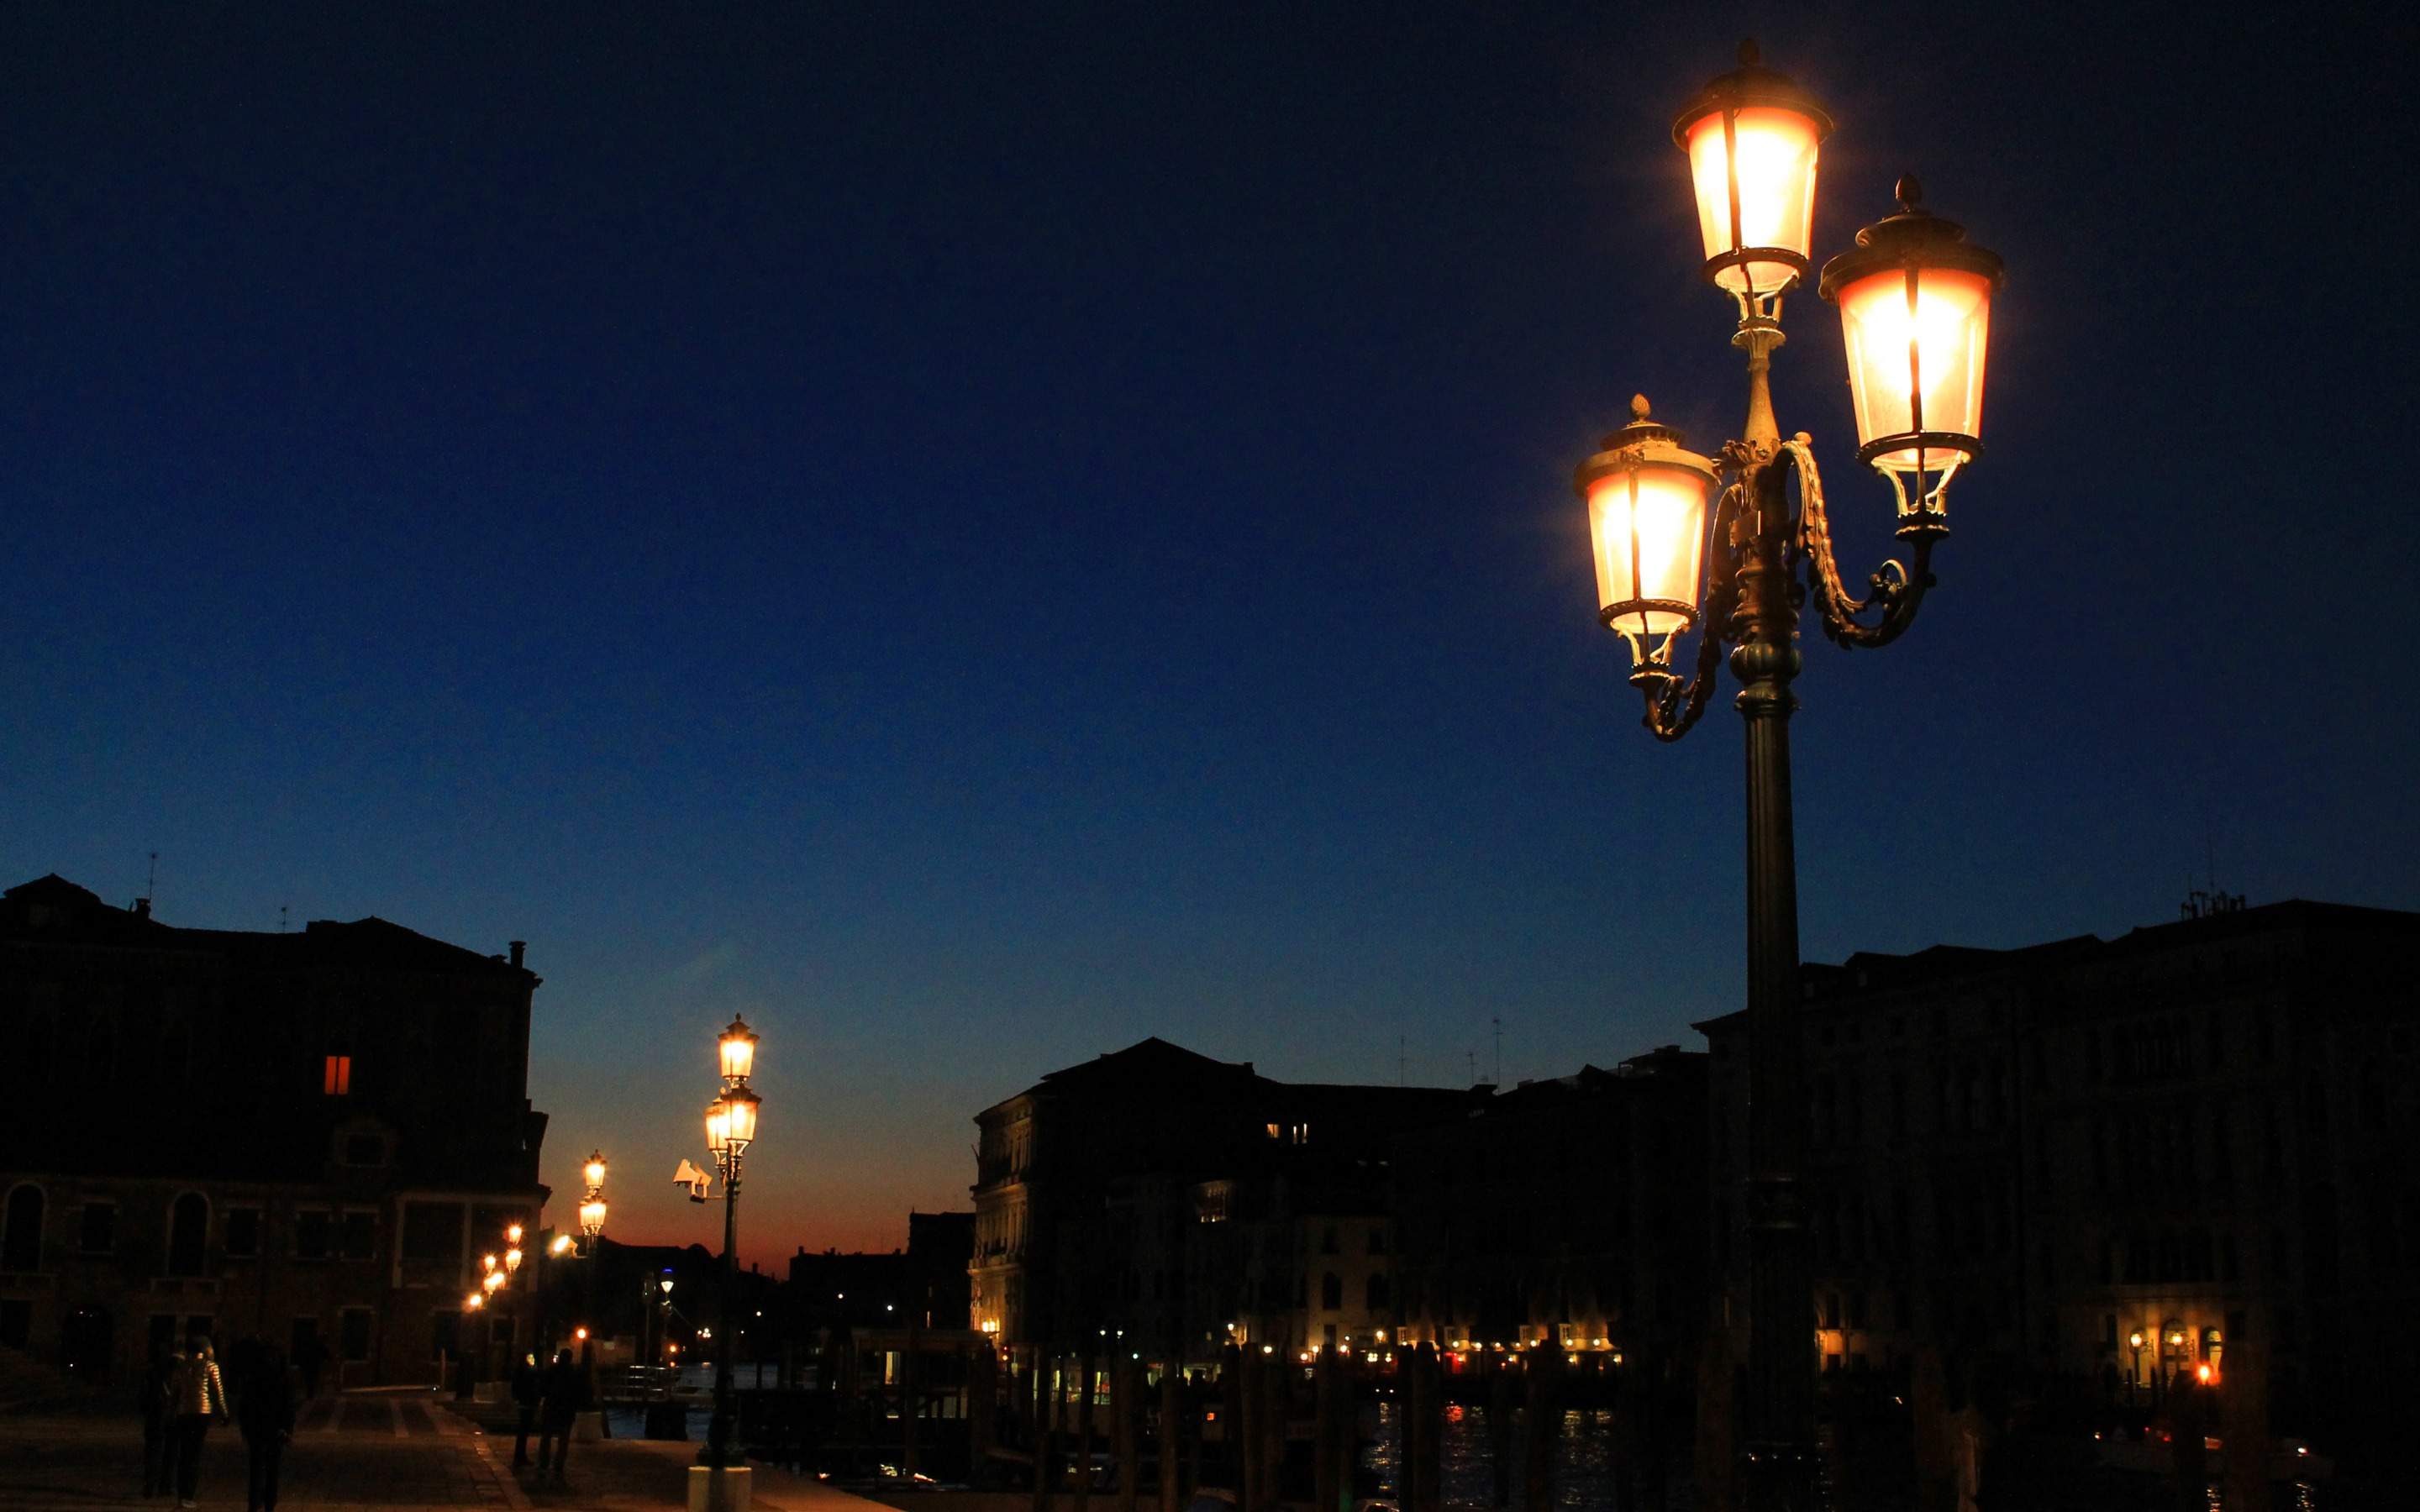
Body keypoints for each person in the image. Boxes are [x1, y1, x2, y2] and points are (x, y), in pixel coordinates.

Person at [235, 1341, 295, 1512]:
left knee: (256, 1467)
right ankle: (269, 1504)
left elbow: (244, 1406)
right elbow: (288, 1407)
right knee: (272, 1467)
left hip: (256, 1427)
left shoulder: (252, 1380)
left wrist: (245, 1427)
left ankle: (254, 1504)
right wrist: (288, 1428)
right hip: (275, 1428)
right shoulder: (283, 1380)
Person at [171, 1336, 229, 1509]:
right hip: (202, 1412)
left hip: (183, 1412)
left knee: (184, 1453)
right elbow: (218, 1394)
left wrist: (171, 1414)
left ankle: (182, 1494)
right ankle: (189, 1495)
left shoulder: (181, 1368)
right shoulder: (210, 1366)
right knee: (195, 1454)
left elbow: (175, 1395)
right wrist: (224, 1414)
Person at [141, 1340, 186, 1498]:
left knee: (152, 1452)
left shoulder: (155, 1369)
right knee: (171, 1452)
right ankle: (166, 1486)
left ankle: (149, 1487)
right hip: (173, 1415)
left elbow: (144, 1393)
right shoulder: (183, 1370)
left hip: (155, 1414)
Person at [535, 1349, 584, 1484]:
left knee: (546, 1436)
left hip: (551, 1407)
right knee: (563, 1439)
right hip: (566, 1410)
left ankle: (544, 1462)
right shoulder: (573, 1374)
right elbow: (577, 1393)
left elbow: (543, 1388)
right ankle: (558, 1465)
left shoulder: (552, 1371)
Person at [509, 1352, 542, 1467]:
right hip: (527, 1402)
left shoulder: (523, 1371)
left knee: (524, 1431)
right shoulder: (529, 1372)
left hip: (526, 1402)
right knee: (524, 1430)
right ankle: (520, 1455)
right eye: (529, 1357)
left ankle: (520, 1455)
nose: (531, 1359)